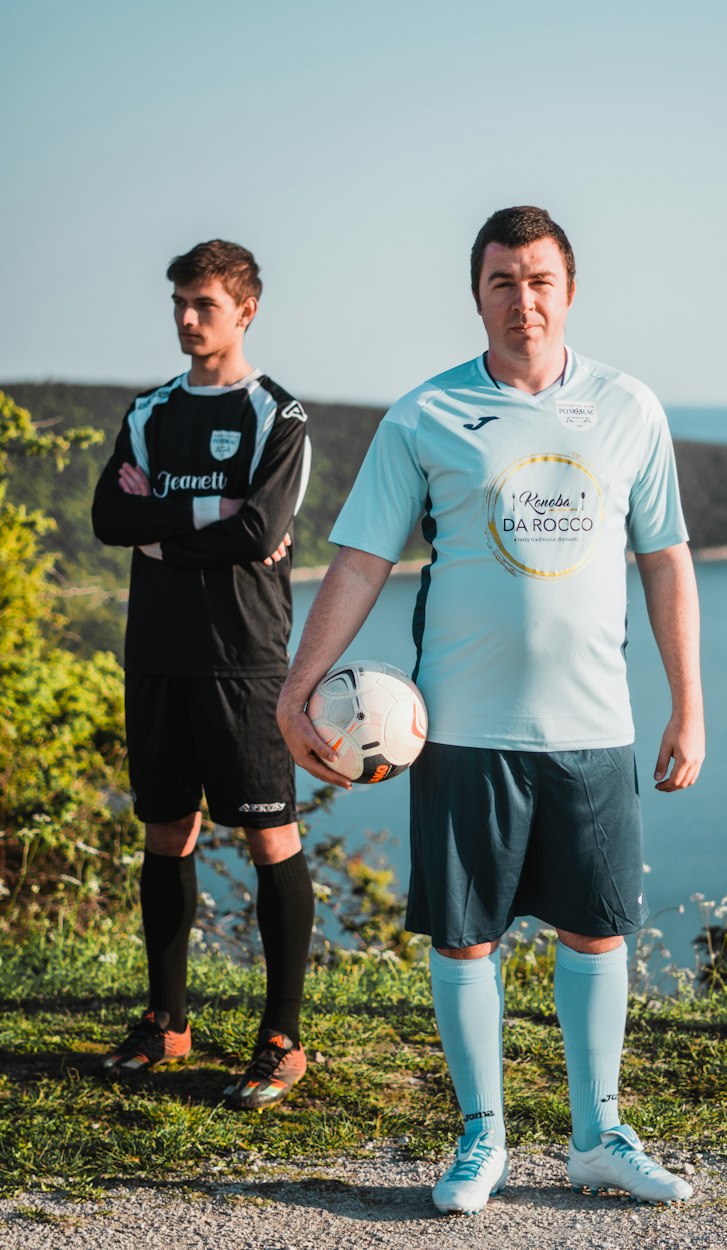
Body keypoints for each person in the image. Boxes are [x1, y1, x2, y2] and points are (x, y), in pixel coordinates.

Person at [278, 206, 705, 1213]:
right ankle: (484, 1138)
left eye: (541, 278)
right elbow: (359, 561)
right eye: (503, 280)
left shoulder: (628, 406)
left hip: (595, 728)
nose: (524, 298)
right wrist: (299, 690)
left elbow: (667, 561)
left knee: (597, 932)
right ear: (476, 294)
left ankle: (600, 1135)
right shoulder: (425, 416)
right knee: (464, 936)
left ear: (570, 288)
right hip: (461, 729)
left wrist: (689, 701)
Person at [92, 239, 314, 1110]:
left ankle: (282, 1037)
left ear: (245, 310)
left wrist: (164, 522)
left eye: (205, 306)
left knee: (270, 839)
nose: (187, 319)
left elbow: (259, 533)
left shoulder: (278, 416)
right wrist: (204, 510)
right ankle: (167, 1020)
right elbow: (111, 515)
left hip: (244, 662)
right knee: (166, 833)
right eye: (179, 303)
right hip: (156, 654)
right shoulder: (149, 411)